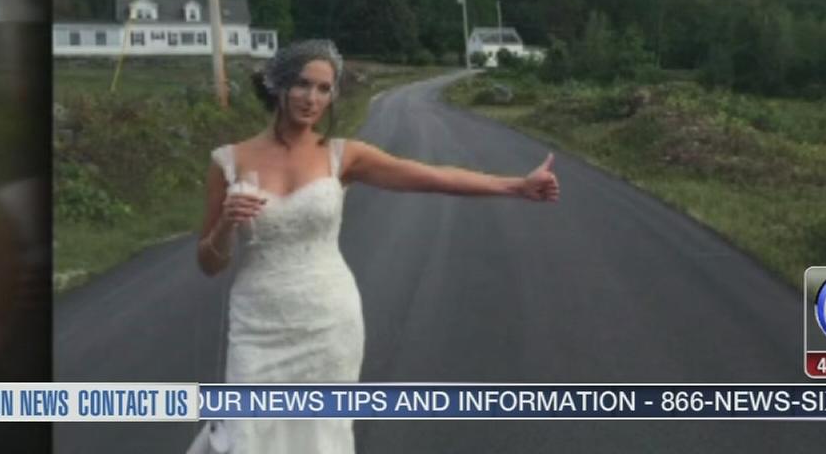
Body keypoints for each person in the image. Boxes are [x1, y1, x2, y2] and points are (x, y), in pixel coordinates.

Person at [197, 39, 560, 453]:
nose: (312, 98)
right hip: (257, 326)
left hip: (328, 324)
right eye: (302, 85)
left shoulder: (342, 155)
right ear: (277, 84)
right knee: (246, 436)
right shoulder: (228, 161)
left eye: (324, 89)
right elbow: (208, 263)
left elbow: (429, 176)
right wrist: (226, 223)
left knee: (321, 437)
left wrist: (515, 185)